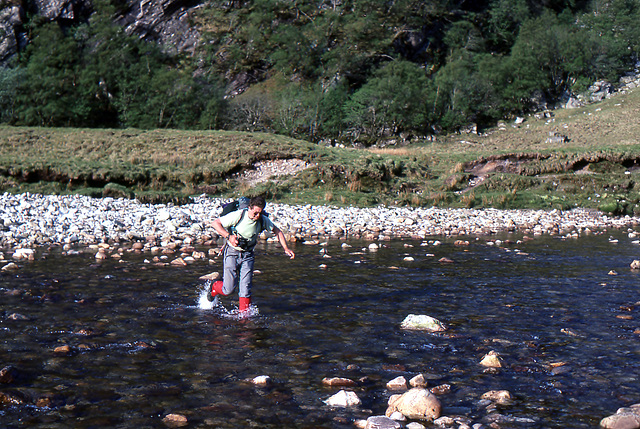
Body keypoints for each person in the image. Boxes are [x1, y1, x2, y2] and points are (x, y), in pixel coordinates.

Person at [208, 196, 295, 311]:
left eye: (260, 213)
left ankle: (244, 318)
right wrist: (229, 237)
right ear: (249, 208)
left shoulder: (262, 220)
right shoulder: (238, 215)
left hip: (248, 256)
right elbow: (215, 223)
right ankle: (214, 286)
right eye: (255, 213)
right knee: (228, 289)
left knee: (245, 289)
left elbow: (277, 231)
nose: (257, 216)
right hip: (232, 253)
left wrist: (286, 248)